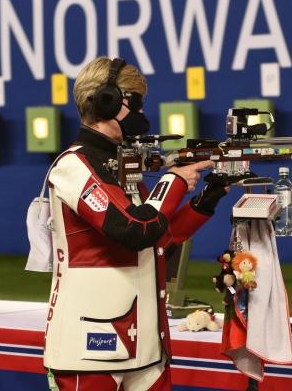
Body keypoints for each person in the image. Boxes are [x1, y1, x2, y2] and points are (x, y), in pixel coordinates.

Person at [43, 57, 229, 391]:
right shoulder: (74, 165)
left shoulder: (120, 168)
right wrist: (172, 181)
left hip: (145, 344)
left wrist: (206, 199)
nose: (142, 112)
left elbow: (160, 235)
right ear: (108, 102)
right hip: (89, 347)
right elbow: (132, 229)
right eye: (136, 101)